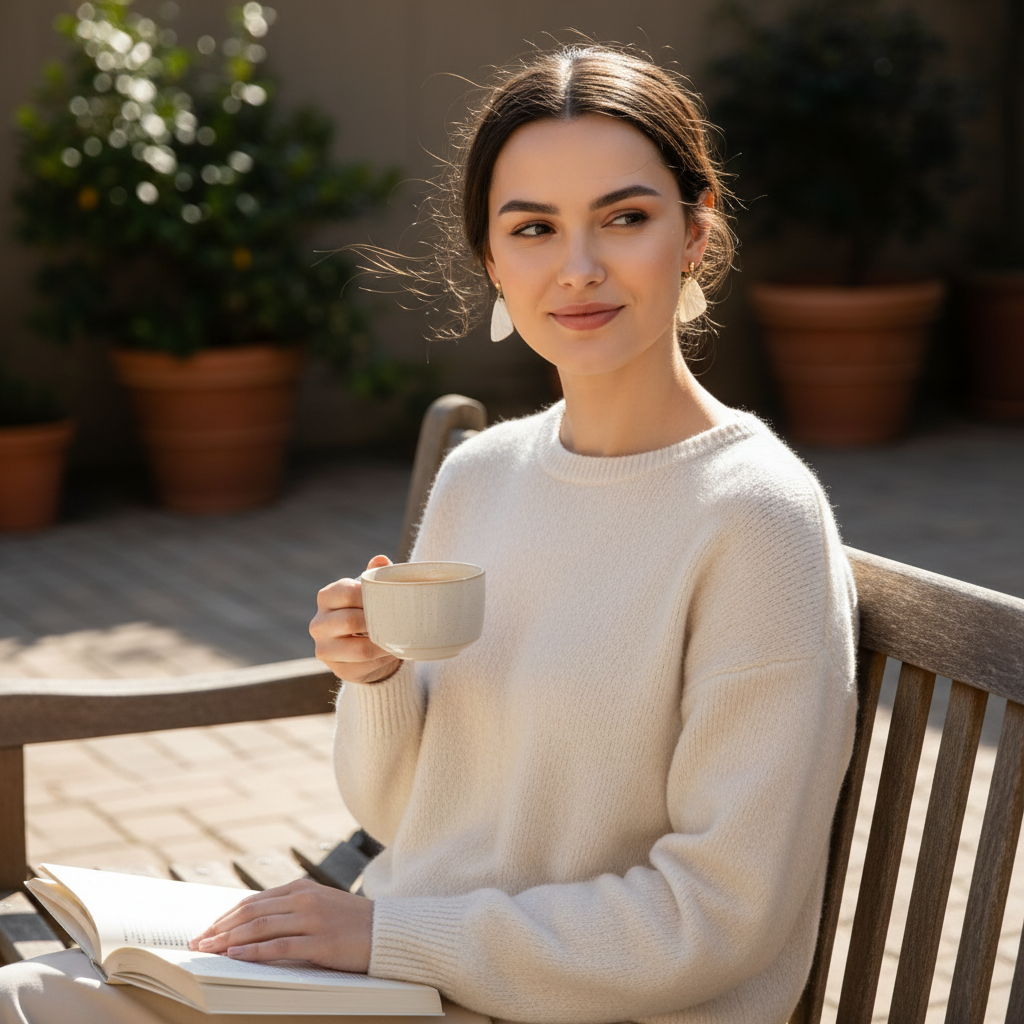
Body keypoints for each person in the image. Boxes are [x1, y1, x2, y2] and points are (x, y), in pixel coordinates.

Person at [0, 43, 857, 1024]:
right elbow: (401, 817)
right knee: (28, 993)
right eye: (533, 228)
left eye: (624, 217)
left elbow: (714, 915)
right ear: (492, 259)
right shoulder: (483, 476)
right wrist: (377, 682)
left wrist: (385, 937)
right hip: (410, 979)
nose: (578, 268)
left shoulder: (755, 520)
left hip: (567, 1002)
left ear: (695, 231)